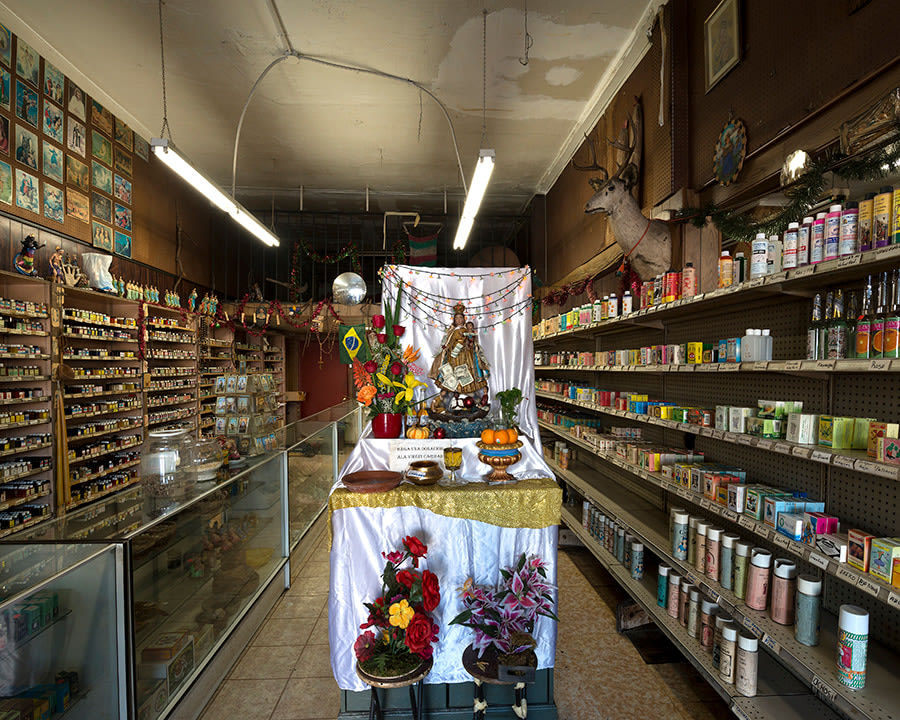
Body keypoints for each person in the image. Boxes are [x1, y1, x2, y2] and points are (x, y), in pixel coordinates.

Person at [428, 303, 490, 403]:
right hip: (453, 356)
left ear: (463, 319)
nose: (459, 320)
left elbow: (470, 341)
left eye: (461, 318)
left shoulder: (466, 330)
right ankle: (451, 397)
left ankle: (469, 396)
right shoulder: (452, 330)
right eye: (457, 318)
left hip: (464, 356)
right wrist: (447, 347)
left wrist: (466, 343)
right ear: (454, 320)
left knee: (465, 373)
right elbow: (449, 341)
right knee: (452, 374)